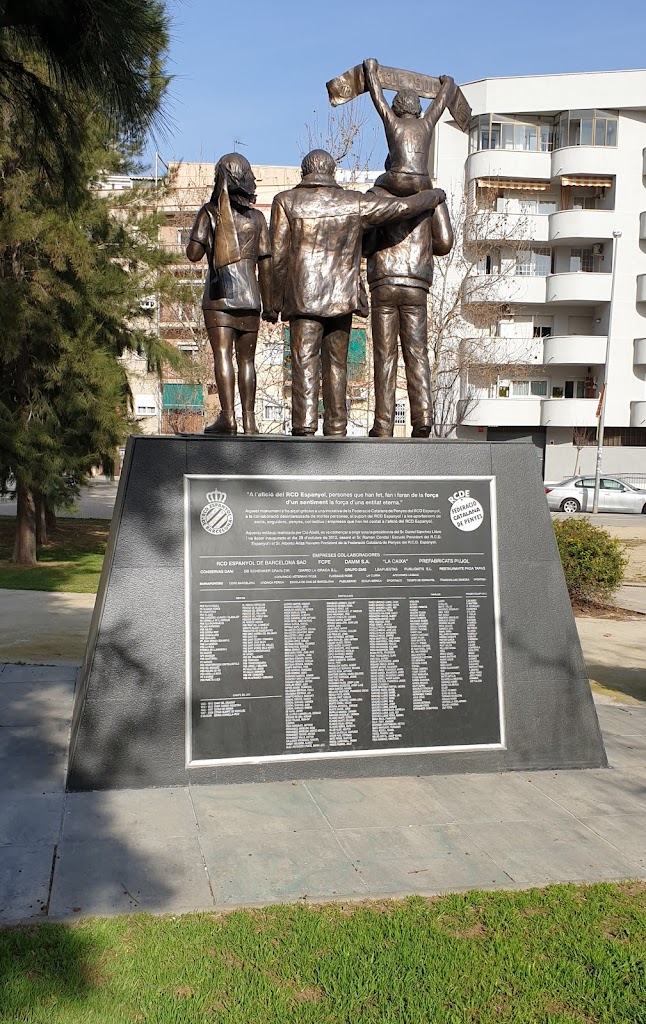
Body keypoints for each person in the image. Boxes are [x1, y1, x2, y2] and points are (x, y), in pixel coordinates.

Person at [270, 148, 446, 436]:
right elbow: (401, 209)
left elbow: (277, 257)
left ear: (305, 172)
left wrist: (273, 302)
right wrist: (433, 196)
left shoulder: (285, 201)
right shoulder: (353, 201)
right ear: (332, 172)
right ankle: (336, 426)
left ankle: (304, 425)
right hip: (342, 296)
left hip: (303, 297)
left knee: (303, 360)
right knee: (337, 364)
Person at [186, 153, 275, 435]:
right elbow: (266, 265)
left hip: (219, 298)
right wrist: (270, 304)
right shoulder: (257, 218)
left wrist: (204, 229)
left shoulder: (210, 212)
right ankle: (249, 420)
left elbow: (193, 254)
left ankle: (228, 417)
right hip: (250, 299)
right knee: (247, 360)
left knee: (222, 355)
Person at [364, 160, 454, 437]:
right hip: (416, 281)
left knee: (384, 354)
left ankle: (383, 423)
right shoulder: (432, 196)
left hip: (384, 281)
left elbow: (365, 243)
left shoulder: (376, 195)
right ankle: (423, 416)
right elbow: (445, 242)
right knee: (417, 351)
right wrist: (422, 245)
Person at [363, 58, 455, 197]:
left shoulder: (393, 122)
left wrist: (371, 71)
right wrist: (447, 84)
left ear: (395, 107)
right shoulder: (427, 123)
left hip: (398, 178)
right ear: (417, 107)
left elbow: (378, 98)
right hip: (423, 181)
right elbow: (440, 104)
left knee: (377, 186)